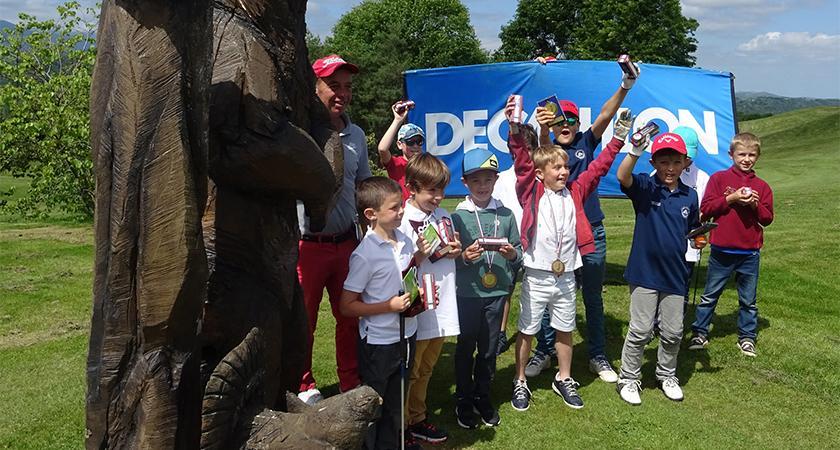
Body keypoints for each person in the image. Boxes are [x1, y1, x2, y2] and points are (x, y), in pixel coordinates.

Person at [507, 95, 632, 411]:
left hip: (565, 276)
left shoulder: (576, 191)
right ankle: (520, 380)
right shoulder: (530, 191)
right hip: (536, 275)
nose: (565, 172)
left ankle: (564, 378)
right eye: (557, 168)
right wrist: (514, 127)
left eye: (565, 166)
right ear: (540, 173)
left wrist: (618, 138)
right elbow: (521, 158)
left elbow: (600, 166)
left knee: (565, 328)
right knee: (527, 329)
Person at [525, 59, 641, 384]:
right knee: (550, 296)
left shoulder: (586, 143)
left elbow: (605, 115)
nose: (566, 125)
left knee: (592, 295)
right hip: (555, 236)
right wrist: (544, 127)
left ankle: (598, 354)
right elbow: (541, 147)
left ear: (577, 124)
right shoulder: (548, 152)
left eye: (571, 120)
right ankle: (544, 352)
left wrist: (625, 85)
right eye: (560, 120)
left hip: (590, 232)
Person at [297, 54, 371, 405]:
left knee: (349, 316)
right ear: (314, 89)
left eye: (347, 87)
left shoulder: (356, 134)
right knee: (304, 320)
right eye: (333, 85)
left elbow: (365, 186)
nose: (341, 93)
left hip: (347, 243)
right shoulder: (299, 130)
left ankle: (349, 381)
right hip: (306, 245)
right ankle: (303, 384)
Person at [615, 132, 704, 405]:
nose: (669, 168)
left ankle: (666, 374)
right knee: (641, 329)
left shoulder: (690, 196)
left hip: (676, 274)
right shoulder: (645, 187)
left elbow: (692, 231)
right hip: (644, 272)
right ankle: (628, 378)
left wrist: (699, 238)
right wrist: (635, 150)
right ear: (653, 162)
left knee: (674, 331)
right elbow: (622, 177)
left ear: (685, 164)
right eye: (664, 162)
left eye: (676, 162)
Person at [338, 176, 419, 450]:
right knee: (374, 405)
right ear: (371, 214)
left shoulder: (405, 240)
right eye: (394, 208)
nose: (402, 212)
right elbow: (346, 305)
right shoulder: (364, 254)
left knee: (397, 402)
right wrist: (388, 307)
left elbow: (407, 276)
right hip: (379, 343)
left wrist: (420, 297)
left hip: (408, 334)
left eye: (401, 206)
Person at [452, 148, 523, 429]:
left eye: (488, 180)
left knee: (489, 349)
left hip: (496, 294)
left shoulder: (505, 215)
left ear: (496, 181)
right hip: (467, 293)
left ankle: (483, 395)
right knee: (465, 346)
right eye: (476, 181)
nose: (483, 186)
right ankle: (462, 398)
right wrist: (462, 258)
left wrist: (510, 255)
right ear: (465, 183)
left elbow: (518, 251)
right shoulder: (457, 217)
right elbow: (449, 256)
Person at [688, 132, 774, 357]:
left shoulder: (762, 186)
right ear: (731, 154)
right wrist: (731, 198)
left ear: (757, 157)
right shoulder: (719, 179)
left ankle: (747, 337)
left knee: (748, 300)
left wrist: (755, 205)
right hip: (722, 248)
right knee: (710, 294)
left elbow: (767, 219)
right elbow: (706, 209)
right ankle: (699, 332)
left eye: (752, 155)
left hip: (749, 251)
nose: (746, 159)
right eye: (742, 154)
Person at [398, 153, 461, 444]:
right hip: (418, 306)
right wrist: (420, 254)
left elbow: (447, 253)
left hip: (444, 302)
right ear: (412, 187)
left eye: (441, 190)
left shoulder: (444, 216)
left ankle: (417, 418)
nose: (438, 197)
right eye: (432, 190)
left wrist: (457, 250)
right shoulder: (400, 219)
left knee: (426, 367)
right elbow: (396, 267)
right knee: (410, 368)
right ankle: (401, 424)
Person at [491, 124, 537, 355]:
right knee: (504, 289)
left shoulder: (540, 177)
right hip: (509, 243)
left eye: (527, 147)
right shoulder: (501, 179)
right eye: (515, 147)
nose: (519, 152)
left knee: (537, 290)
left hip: (537, 244)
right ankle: (500, 333)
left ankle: (538, 335)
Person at [377, 101, 425, 201]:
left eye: (419, 141)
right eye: (410, 142)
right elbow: (382, 149)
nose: (415, 145)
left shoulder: (425, 164)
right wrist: (397, 120)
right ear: (399, 144)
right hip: (402, 213)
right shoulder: (395, 164)